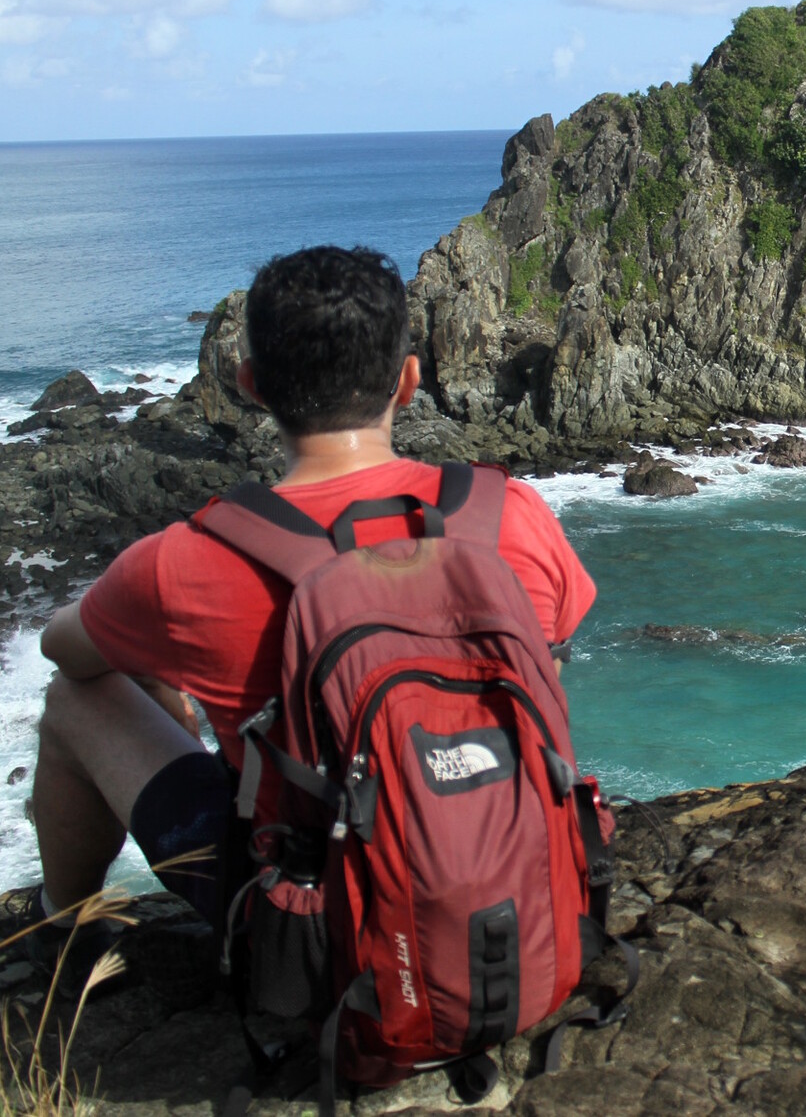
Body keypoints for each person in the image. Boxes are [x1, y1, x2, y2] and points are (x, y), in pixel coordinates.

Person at [31, 244, 594, 946]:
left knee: (74, 698)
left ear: (249, 384)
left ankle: (59, 932)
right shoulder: (511, 513)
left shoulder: (186, 561)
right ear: (409, 381)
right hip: (514, 897)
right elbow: (550, 668)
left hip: (318, 936)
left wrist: (161, 662)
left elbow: (66, 650)